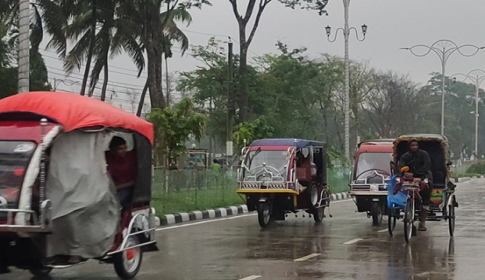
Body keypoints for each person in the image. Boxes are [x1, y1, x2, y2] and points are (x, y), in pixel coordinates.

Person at [397, 139, 433, 231]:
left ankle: (422, 222)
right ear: (409, 146)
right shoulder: (405, 156)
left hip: (423, 176)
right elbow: (401, 167)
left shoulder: (424, 155)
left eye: (416, 145)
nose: (414, 147)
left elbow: (426, 167)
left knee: (426, 195)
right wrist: (404, 174)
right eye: (412, 145)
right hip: (409, 179)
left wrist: (416, 175)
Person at [106, 136, 137, 208]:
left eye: (125, 148)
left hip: (127, 188)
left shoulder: (131, 158)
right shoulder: (107, 157)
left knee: (115, 203)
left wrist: (116, 187)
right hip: (108, 188)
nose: (124, 151)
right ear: (112, 150)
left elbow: (133, 181)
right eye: (120, 149)